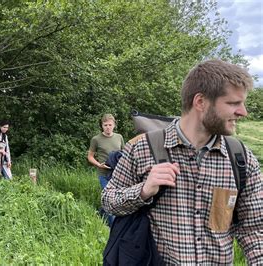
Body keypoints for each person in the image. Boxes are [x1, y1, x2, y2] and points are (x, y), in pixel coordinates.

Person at [102, 59, 262, 264]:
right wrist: (143, 191)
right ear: (200, 102)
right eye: (233, 103)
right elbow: (109, 201)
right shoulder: (142, 148)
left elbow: (254, 229)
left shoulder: (241, 159)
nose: (243, 112)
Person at [88, 114, 125, 225]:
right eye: (105, 125)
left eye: (110, 125)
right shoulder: (96, 139)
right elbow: (90, 156)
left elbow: (124, 154)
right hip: (103, 174)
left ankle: (101, 213)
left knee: (114, 198)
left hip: (117, 174)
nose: (108, 127)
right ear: (102, 126)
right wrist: (99, 165)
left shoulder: (119, 137)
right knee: (110, 199)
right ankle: (112, 228)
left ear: (114, 125)